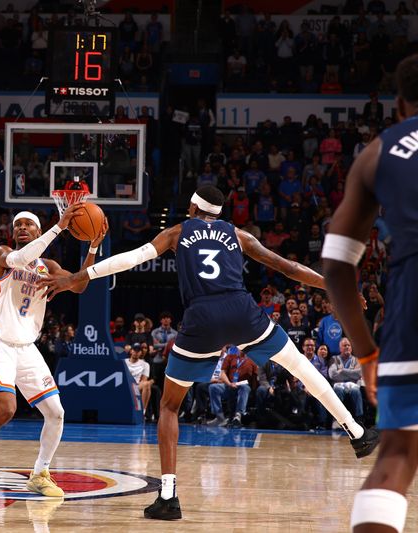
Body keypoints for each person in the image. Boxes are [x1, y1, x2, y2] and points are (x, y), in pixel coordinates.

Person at [41, 185, 379, 521]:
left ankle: (169, 496)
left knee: (170, 406)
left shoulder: (176, 232)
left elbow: (133, 258)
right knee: (301, 365)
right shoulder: (238, 234)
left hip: (201, 318)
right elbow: (287, 267)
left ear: (192, 208)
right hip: (241, 310)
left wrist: (80, 276)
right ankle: (357, 432)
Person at [0, 206, 106, 499]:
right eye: (17, 225)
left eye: (28, 225)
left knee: (56, 413)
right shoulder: (2, 255)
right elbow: (20, 258)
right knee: (6, 409)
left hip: (27, 348)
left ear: (36, 231)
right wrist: (59, 227)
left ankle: (40, 473)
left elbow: (80, 285)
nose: (21, 228)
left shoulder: (49, 267)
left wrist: (93, 245)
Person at [322, 54, 418, 533]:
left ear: (400, 104)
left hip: (412, 305)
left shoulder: (381, 151)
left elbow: (337, 265)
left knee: (397, 455)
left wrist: (366, 353)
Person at [124, 343, 153, 419]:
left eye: (138, 351)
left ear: (141, 353)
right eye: (134, 350)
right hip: (124, 384)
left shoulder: (145, 364)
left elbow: (144, 380)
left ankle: (142, 411)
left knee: (147, 384)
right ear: (131, 351)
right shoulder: (123, 362)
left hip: (136, 385)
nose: (136, 352)